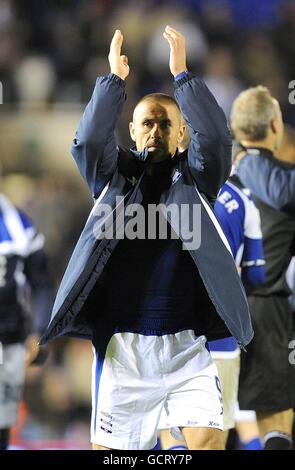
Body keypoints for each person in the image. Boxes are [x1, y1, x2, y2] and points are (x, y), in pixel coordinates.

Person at [41, 26, 253, 451]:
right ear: (133, 132)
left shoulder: (197, 180)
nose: (154, 131)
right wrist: (113, 83)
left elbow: (216, 139)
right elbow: (87, 141)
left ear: (180, 135)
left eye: (165, 124)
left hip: (185, 346)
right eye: (146, 124)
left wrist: (184, 78)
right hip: (125, 348)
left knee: (210, 441)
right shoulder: (112, 178)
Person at [159, 125, 265, 451]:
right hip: (222, 336)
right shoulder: (243, 202)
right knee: (214, 437)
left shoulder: (161, 194)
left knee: (170, 432)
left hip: (170, 336)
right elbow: (257, 277)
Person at [231, 87, 295, 450]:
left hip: (213, 314)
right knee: (277, 420)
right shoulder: (285, 182)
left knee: (199, 428)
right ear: (275, 125)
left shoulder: (209, 178)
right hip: (269, 312)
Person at [0, 192, 52, 450]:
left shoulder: (19, 225)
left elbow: (42, 284)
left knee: (2, 425)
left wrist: (38, 332)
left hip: (8, 341)